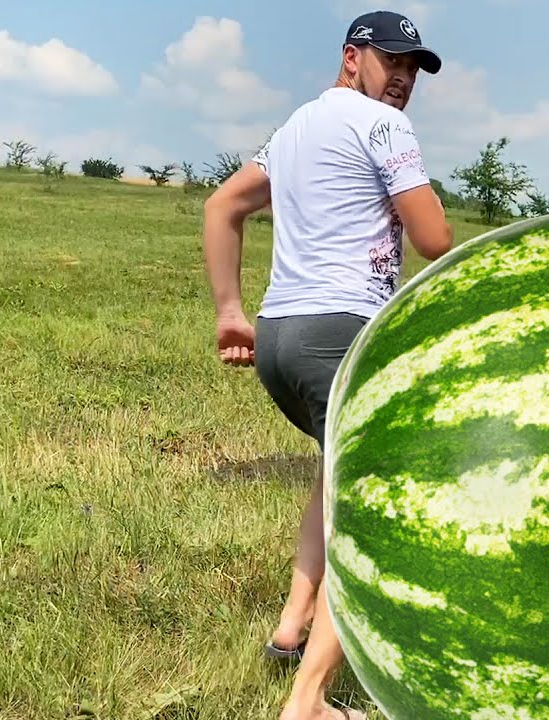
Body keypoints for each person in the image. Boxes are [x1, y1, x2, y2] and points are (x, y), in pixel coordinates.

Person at [201, 10, 453, 720]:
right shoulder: (384, 127)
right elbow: (434, 238)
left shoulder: (294, 129)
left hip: (280, 339)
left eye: (413, 68)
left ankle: (291, 621)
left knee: (334, 476)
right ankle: (309, 702)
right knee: (374, 514)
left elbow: (222, 207)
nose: (403, 78)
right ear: (352, 58)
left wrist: (229, 311)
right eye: (391, 61)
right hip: (343, 332)